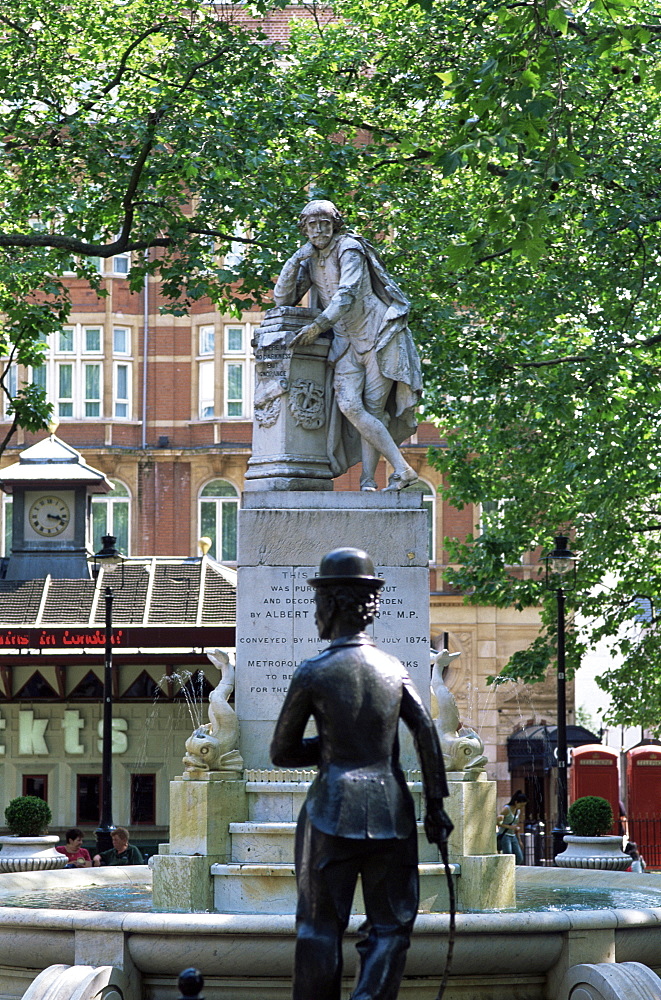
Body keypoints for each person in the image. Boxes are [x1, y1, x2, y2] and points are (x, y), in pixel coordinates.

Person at [271, 547, 453, 1000]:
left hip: (331, 810)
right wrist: (435, 806)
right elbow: (427, 734)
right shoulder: (395, 670)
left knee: (318, 928)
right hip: (391, 811)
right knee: (392, 927)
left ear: (331, 605)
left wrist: (332, 748)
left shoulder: (313, 671)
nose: (314, 614)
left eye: (317, 604)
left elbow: (282, 751)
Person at [273, 200, 423, 492]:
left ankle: (368, 480)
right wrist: (294, 260)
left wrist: (317, 326)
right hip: (345, 341)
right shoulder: (311, 258)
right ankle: (403, 469)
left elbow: (347, 294)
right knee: (350, 406)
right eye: (312, 225)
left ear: (335, 225)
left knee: (372, 409)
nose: (319, 230)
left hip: (378, 336)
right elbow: (282, 299)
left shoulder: (349, 248)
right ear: (304, 229)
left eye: (324, 224)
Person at [497, 791, 527, 865]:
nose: (522, 807)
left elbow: (515, 826)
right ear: (516, 802)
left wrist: (519, 840)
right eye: (521, 805)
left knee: (519, 858)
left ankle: (512, 870)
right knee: (508, 856)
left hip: (513, 836)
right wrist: (510, 827)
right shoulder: (506, 809)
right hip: (505, 835)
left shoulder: (518, 811)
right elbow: (497, 823)